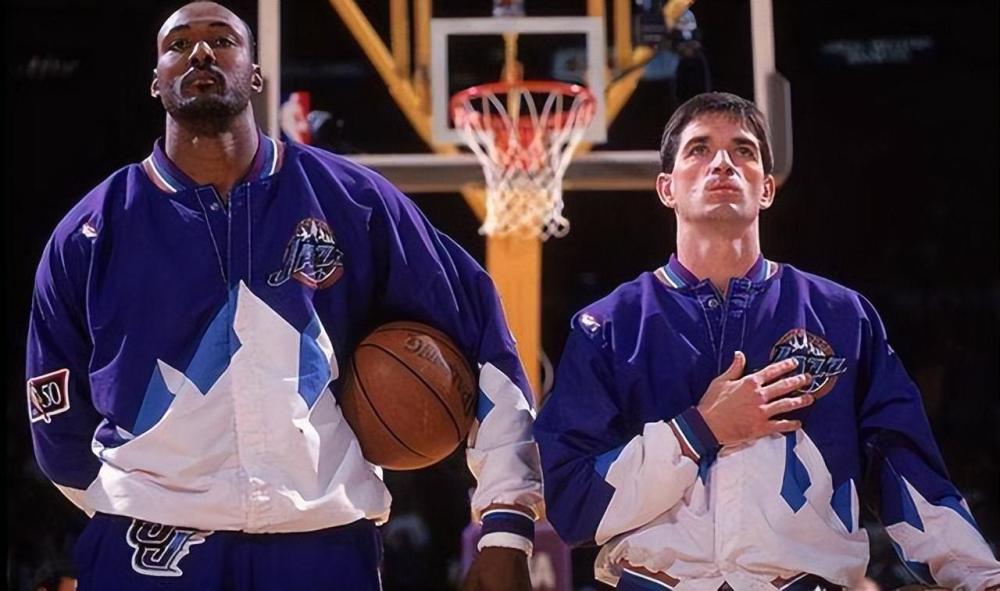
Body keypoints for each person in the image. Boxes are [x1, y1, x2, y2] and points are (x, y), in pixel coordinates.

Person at [25, 3, 541, 590]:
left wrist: (506, 527)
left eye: (222, 40)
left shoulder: (355, 200)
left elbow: (482, 339)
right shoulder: (90, 231)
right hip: (147, 542)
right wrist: (140, 499)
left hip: (323, 539)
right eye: (178, 45)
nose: (200, 53)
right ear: (155, 81)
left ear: (254, 75)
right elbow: (54, 416)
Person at [533, 92, 1000, 590]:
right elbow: (572, 503)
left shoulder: (843, 316)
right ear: (667, 188)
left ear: (767, 189)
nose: (722, 163)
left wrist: (980, 576)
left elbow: (906, 470)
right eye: (699, 149)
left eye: (743, 151)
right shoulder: (607, 325)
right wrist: (697, 430)